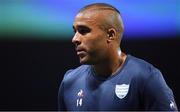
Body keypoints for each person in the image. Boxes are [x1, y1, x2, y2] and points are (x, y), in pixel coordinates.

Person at [58, 3, 178, 111]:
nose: (75, 39)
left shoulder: (146, 78)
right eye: (75, 31)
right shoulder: (70, 82)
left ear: (110, 35)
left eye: (83, 31)